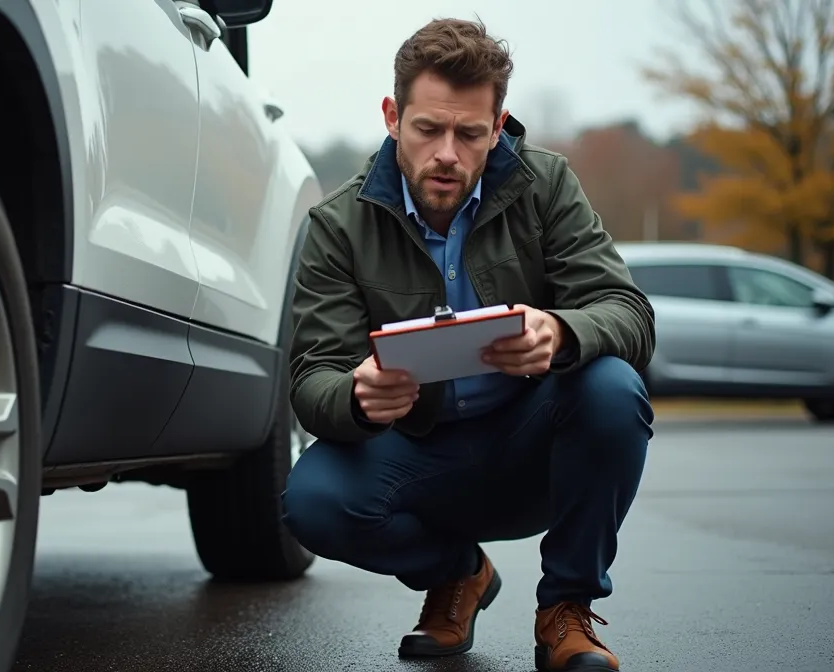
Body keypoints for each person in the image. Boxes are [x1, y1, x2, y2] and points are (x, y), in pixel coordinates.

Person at [280, 17, 656, 672]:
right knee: (310, 502)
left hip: (530, 442)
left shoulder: (546, 186)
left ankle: (566, 610)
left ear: (497, 123)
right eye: (428, 129)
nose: (447, 153)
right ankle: (460, 573)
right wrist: (359, 395)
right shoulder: (337, 224)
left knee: (613, 389)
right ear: (393, 115)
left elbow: (627, 312)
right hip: (413, 454)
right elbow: (313, 380)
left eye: (470, 133)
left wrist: (563, 331)